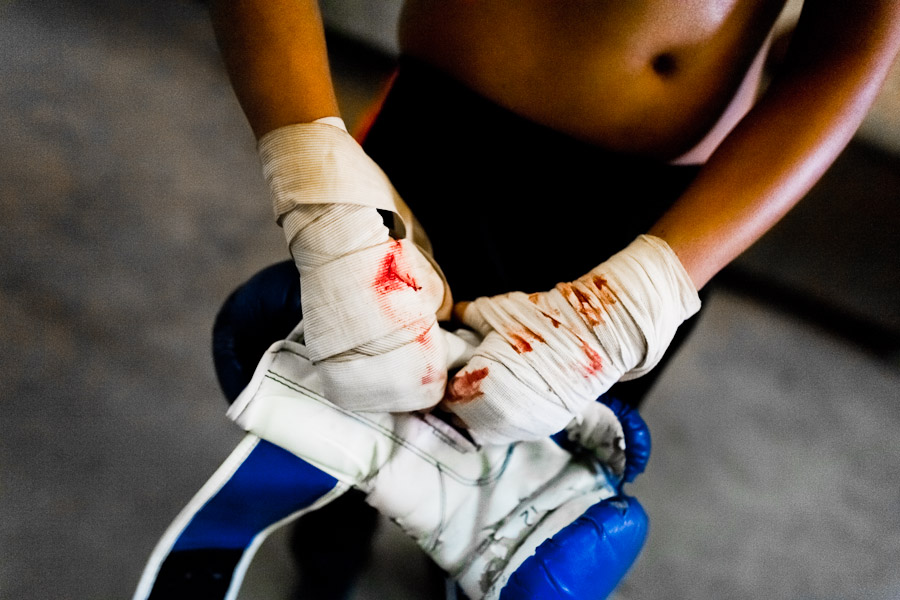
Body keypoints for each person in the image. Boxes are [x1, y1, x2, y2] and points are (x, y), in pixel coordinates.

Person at [206, 1, 900, 597]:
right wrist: (313, 172)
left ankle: (450, 577)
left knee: (523, 462)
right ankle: (325, 568)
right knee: (352, 409)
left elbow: (854, 34)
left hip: (665, 219)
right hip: (443, 140)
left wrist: (645, 293)